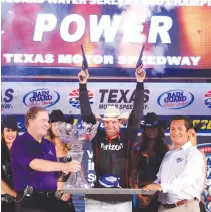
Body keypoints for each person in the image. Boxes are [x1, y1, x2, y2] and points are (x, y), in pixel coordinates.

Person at [78, 66, 146, 212]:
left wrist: (140, 82)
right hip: (98, 196)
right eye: (106, 122)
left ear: (120, 122)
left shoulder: (128, 136)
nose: (110, 125)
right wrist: (83, 86)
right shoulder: (97, 136)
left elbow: (137, 113)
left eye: (114, 122)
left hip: (122, 196)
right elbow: (86, 114)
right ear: (102, 123)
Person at [11, 106, 81, 212]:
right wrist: (65, 165)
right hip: (30, 202)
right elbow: (35, 164)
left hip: (52, 200)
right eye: (43, 120)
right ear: (30, 122)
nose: (47, 124)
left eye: (47, 121)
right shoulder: (20, 142)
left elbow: (53, 173)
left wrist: (64, 174)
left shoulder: (49, 145)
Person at [144, 115, 205, 212]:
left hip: (184, 207)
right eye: (172, 129)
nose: (175, 132)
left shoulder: (194, 154)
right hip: (163, 207)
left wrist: (161, 187)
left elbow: (186, 179)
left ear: (189, 132)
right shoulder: (168, 154)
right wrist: (152, 186)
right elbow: (160, 178)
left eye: (180, 129)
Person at [130, 112, 170, 212]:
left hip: (160, 195)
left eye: (154, 127)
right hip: (140, 193)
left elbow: (170, 176)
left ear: (159, 129)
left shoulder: (167, 149)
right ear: (144, 129)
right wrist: (139, 196)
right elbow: (132, 177)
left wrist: (155, 192)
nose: (151, 130)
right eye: (148, 127)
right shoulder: (136, 149)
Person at [48, 109, 75, 211]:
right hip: (47, 197)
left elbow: (78, 172)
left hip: (66, 198)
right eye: (54, 125)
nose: (57, 128)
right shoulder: (44, 146)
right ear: (50, 127)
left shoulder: (71, 148)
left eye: (60, 124)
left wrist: (70, 190)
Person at [1, 115, 19, 212]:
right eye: (8, 130)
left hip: (20, 202)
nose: (11, 134)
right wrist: (16, 195)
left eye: (13, 130)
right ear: (2, 132)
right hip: (4, 202)